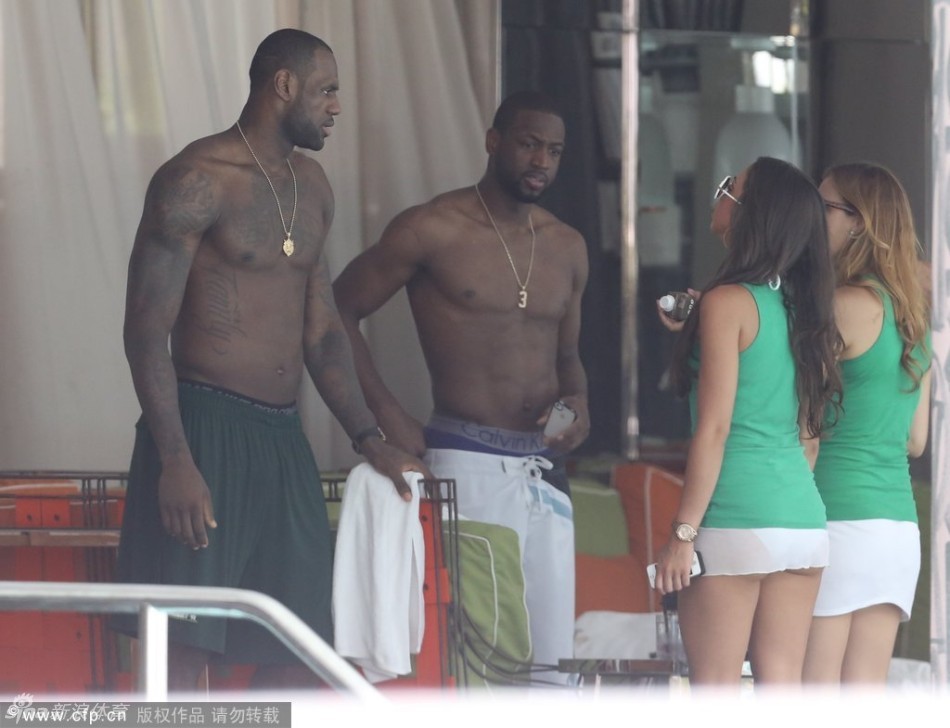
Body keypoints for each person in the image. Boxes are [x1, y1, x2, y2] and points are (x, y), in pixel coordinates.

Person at [114, 28, 428, 691]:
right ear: (283, 85)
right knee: (186, 642)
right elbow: (145, 330)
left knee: (302, 643)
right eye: (327, 90)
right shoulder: (195, 179)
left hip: (283, 439)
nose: (336, 107)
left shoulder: (311, 186)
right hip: (204, 427)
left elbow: (323, 332)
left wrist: (369, 437)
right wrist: (175, 458)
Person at [332, 91, 590, 683]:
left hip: (545, 469)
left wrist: (578, 405)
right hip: (466, 460)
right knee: (482, 655)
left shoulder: (567, 246)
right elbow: (336, 310)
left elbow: (568, 358)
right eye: (529, 144)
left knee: (553, 662)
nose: (541, 161)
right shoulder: (432, 228)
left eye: (554, 151)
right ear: (494, 141)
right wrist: (386, 416)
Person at [652, 157, 843, 687]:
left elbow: (715, 429)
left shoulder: (728, 302)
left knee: (715, 688)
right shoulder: (804, 306)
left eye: (729, 187)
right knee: (781, 687)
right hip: (802, 520)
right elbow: (807, 436)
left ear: (749, 211)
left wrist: (683, 533)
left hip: (736, 515)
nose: (720, 194)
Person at [802, 162, 931, 685]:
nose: (813, 216)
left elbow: (802, 424)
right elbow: (915, 440)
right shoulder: (913, 317)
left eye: (824, 206)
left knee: (811, 695)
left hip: (836, 516)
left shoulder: (841, 306)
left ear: (860, 222)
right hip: (895, 528)